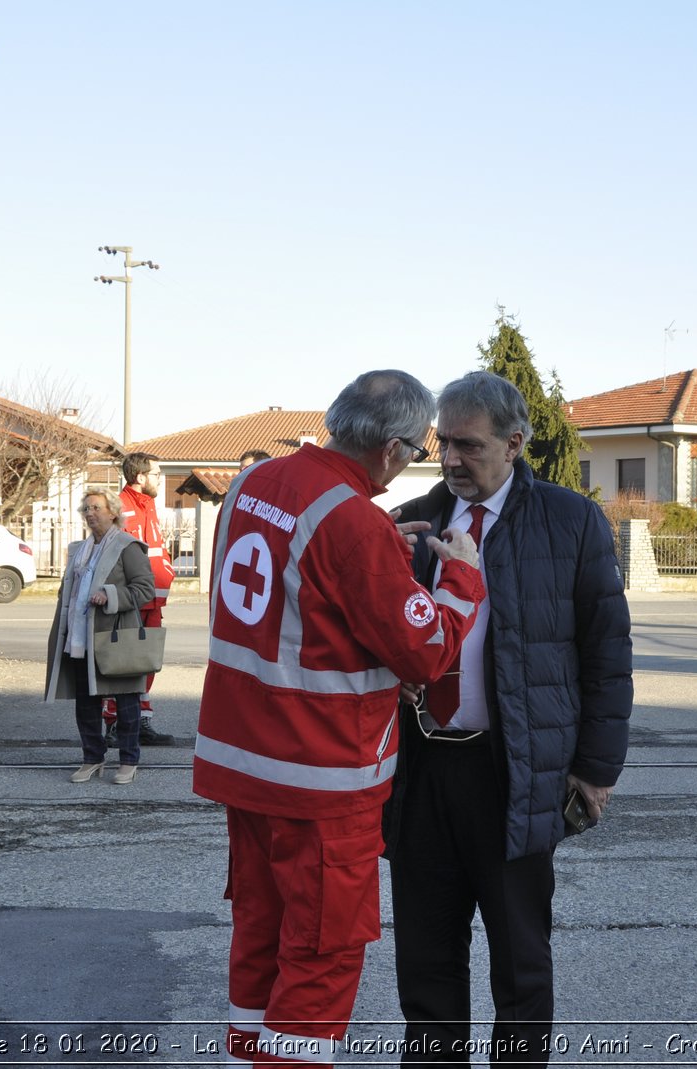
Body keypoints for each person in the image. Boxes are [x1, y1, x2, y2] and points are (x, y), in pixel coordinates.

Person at [192, 369, 487, 1069]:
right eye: (418, 450)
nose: (419, 462)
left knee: (259, 933)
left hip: (242, 761)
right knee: (321, 955)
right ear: (390, 450)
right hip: (320, 777)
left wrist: (372, 543)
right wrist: (462, 576)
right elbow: (425, 651)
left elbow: (299, 599)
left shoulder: (251, 485)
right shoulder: (355, 525)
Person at [382, 371, 633, 1067]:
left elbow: (607, 654)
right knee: (427, 963)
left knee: (522, 965)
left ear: (515, 443)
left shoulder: (571, 521)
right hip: (421, 769)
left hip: (515, 771)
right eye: (443, 443)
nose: (451, 459)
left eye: (469, 445)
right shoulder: (411, 522)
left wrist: (595, 767)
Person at [44, 490, 155, 785]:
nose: (90, 513)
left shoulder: (127, 546)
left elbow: (145, 589)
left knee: (126, 700)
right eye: (86, 508)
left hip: (115, 636)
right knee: (86, 702)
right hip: (79, 635)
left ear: (113, 512)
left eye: (96, 507)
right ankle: (93, 757)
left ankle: (129, 760)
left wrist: (110, 595)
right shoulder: (79, 548)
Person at [117, 451, 177, 746]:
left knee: (146, 663)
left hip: (152, 601)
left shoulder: (147, 504)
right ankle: (116, 723)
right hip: (133, 601)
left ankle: (141, 721)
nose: (159, 479)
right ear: (140, 477)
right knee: (124, 663)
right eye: (156, 474)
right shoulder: (122, 506)